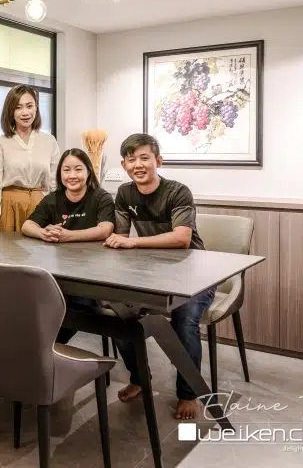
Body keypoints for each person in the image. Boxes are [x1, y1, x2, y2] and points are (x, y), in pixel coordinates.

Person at [103, 133, 212, 421]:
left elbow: (181, 239)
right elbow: (120, 235)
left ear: (158, 161)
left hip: (194, 273)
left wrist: (131, 243)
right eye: (131, 159)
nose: (138, 165)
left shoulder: (178, 191)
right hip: (154, 273)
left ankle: (188, 393)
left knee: (184, 320)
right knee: (119, 314)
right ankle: (140, 378)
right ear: (124, 165)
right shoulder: (125, 193)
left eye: (144, 158)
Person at [22, 148, 114, 343]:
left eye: (78, 169)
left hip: (92, 274)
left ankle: (49, 350)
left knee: (76, 307)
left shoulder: (101, 197)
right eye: (66, 170)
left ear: (88, 171)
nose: (72, 175)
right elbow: (27, 225)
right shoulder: (53, 198)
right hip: (59, 272)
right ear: (60, 174)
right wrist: (43, 233)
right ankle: (42, 349)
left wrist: (68, 236)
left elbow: (105, 229)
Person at [0, 85, 60, 231]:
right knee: (8, 245)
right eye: (18, 107)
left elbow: (55, 181)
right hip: (9, 206)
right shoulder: (1, 142)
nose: (25, 112)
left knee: (39, 245)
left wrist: (56, 212)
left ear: (36, 108)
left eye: (29, 106)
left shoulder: (49, 141)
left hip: (40, 207)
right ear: (11, 111)